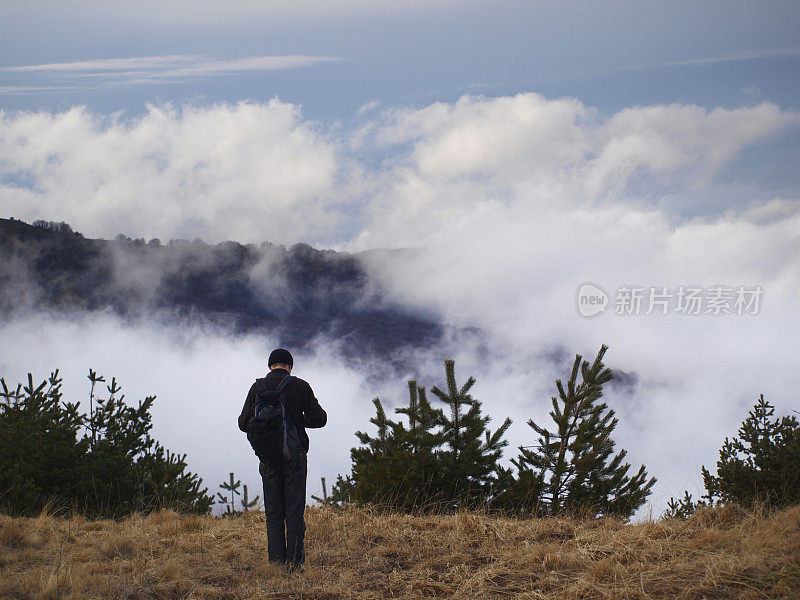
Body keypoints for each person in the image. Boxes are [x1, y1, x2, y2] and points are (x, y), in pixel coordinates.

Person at [238, 348, 327, 572]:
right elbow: (320, 419)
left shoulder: (257, 387)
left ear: (270, 366)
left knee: (274, 513)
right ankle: (295, 565)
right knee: (294, 512)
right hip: (294, 456)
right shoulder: (300, 386)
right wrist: (297, 420)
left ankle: (276, 565)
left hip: (268, 459)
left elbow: (242, 423)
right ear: (290, 366)